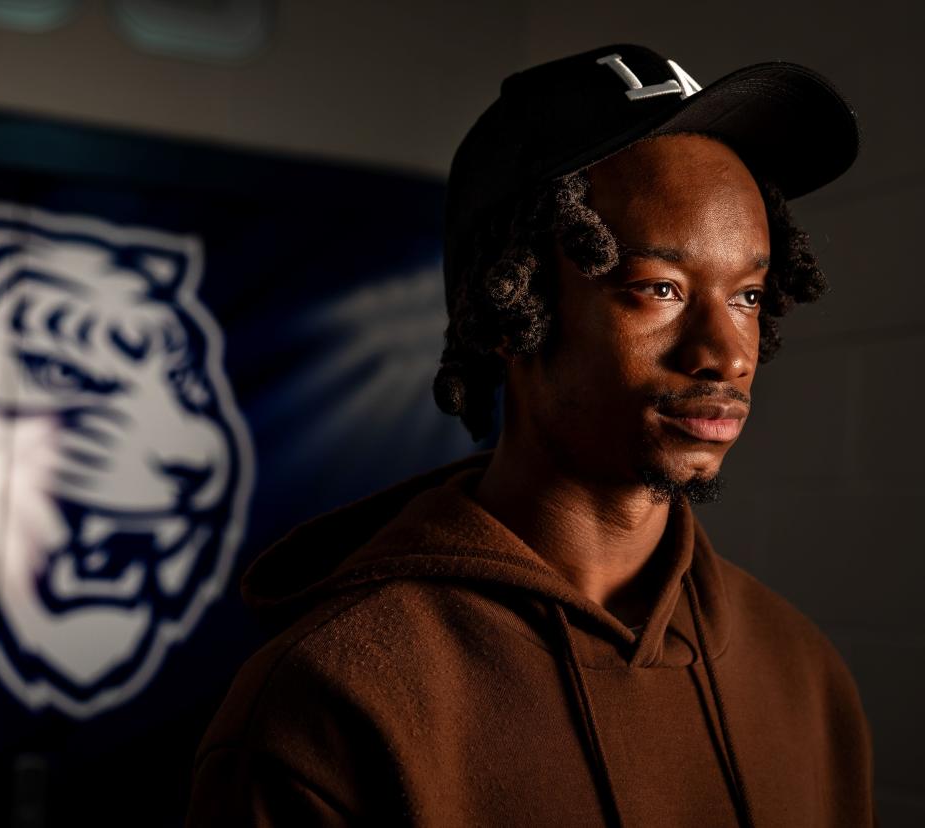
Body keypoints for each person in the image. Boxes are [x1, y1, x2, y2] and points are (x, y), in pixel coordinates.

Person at [186, 44, 875, 827]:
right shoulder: (331, 701)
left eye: (748, 295)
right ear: (513, 308)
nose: (727, 354)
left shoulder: (804, 674)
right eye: (660, 289)